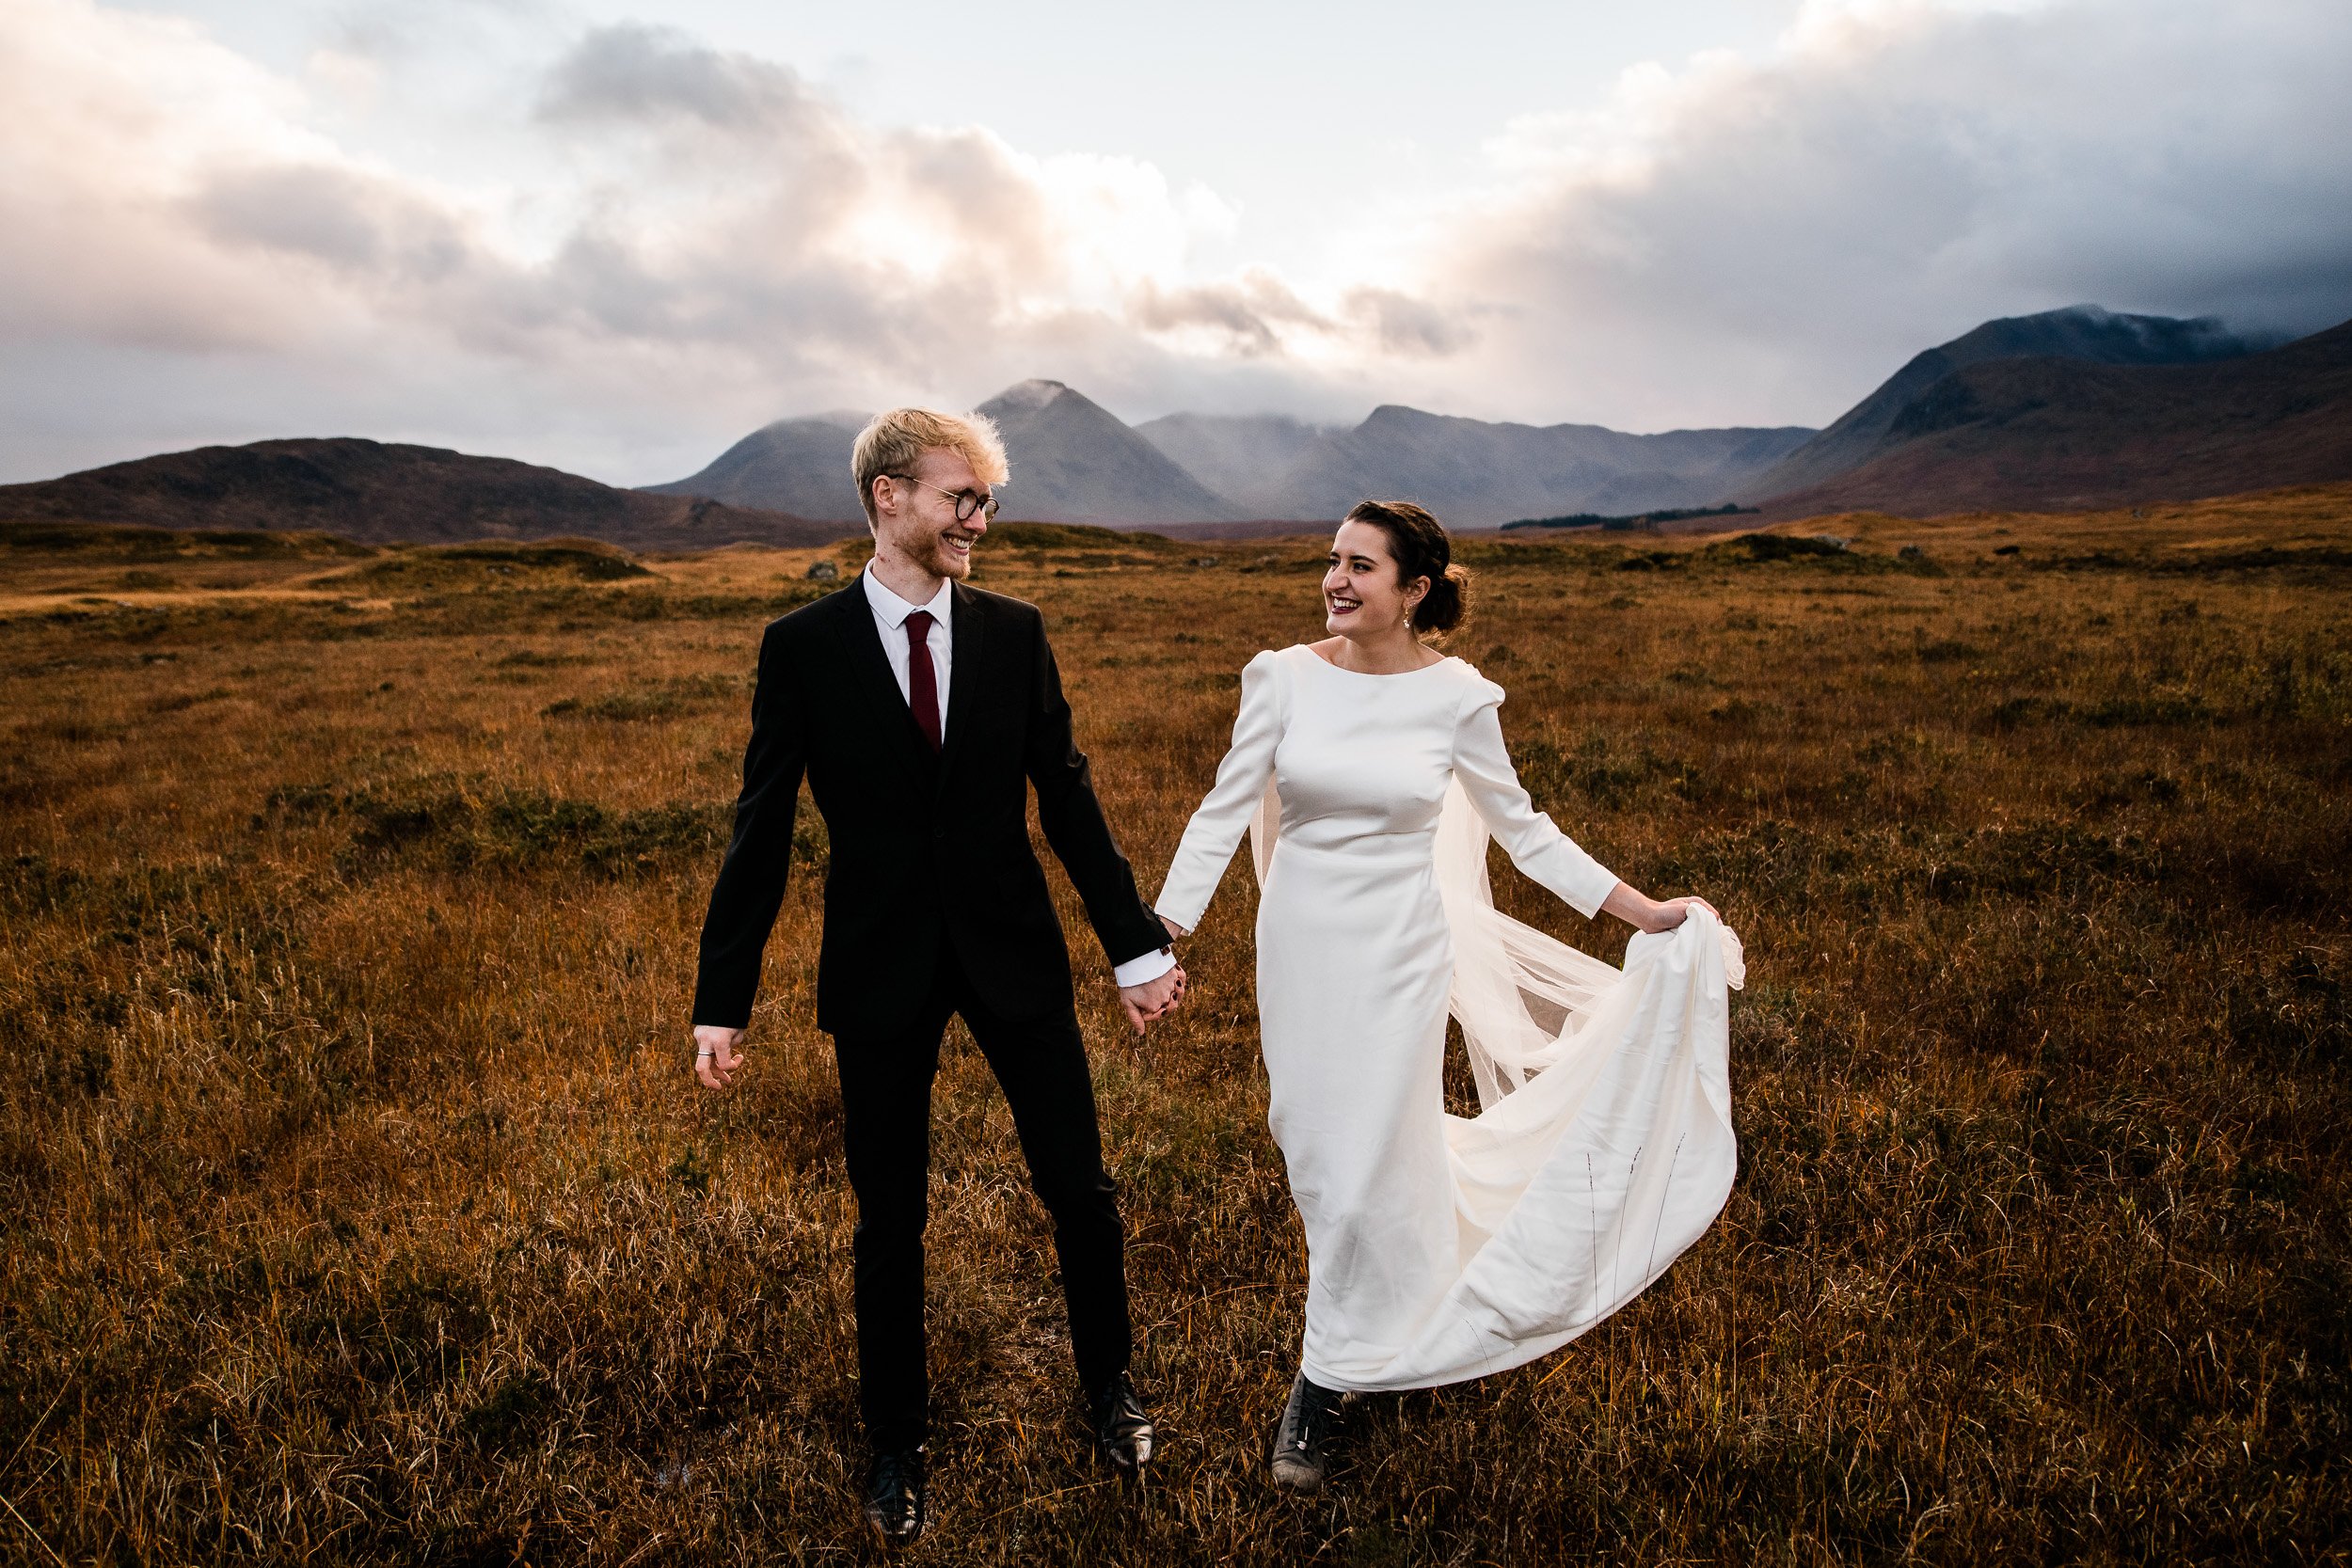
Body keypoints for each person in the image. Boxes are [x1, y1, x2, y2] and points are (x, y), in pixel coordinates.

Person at [1153, 500, 1742, 1495]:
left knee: (1367, 1158)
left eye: (1361, 566)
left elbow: (1526, 829)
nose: (1336, 580)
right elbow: (1221, 810)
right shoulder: (1282, 675)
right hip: (1301, 950)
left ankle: (1327, 1380)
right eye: (1332, 561)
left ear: (1415, 590)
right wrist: (1158, 932)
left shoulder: (1457, 697)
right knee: (1319, 1148)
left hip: (1400, 952)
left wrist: (1640, 909)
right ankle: (1404, 1307)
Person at [691, 408, 1185, 1547]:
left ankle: (1110, 1392)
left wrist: (1135, 944)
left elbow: (1065, 798)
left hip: (1013, 955)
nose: (978, 521)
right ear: (888, 498)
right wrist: (723, 1000)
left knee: (1081, 1188)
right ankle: (894, 1444)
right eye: (961, 498)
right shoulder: (802, 647)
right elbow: (758, 833)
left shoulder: (1015, 632)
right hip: (879, 968)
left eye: (985, 502)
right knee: (889, 1219)